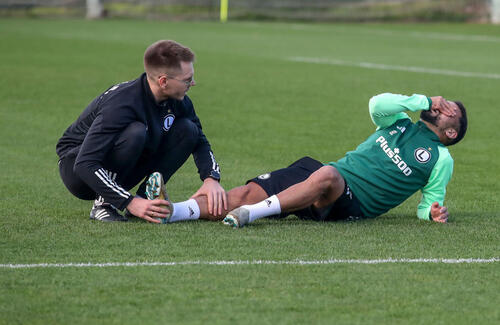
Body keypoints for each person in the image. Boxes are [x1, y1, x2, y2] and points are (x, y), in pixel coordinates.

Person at [158, 92, 467, 227]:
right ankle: (170, 212)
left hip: (350, 202)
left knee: (329, 176)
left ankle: (250, 215)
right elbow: (377, 104)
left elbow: (429, 203)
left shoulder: (441, 158)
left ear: (451, 132)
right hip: (319, 176)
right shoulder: (399, 121)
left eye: (449, 108)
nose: (442, 105)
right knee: (241, 193)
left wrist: (433, 213)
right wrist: (423, 101)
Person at [56, 40, 226, 223]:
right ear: (163, 81)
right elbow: (84, 163)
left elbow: (199, 140)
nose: (193, 83)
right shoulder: (122, 104)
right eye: (187, 79)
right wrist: (129, 201)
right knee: (135, 132)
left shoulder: (179, 101)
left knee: (188, 130)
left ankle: (147, 198)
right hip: (77, 169)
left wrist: (211, 178)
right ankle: (103, 205)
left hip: (109, 160)